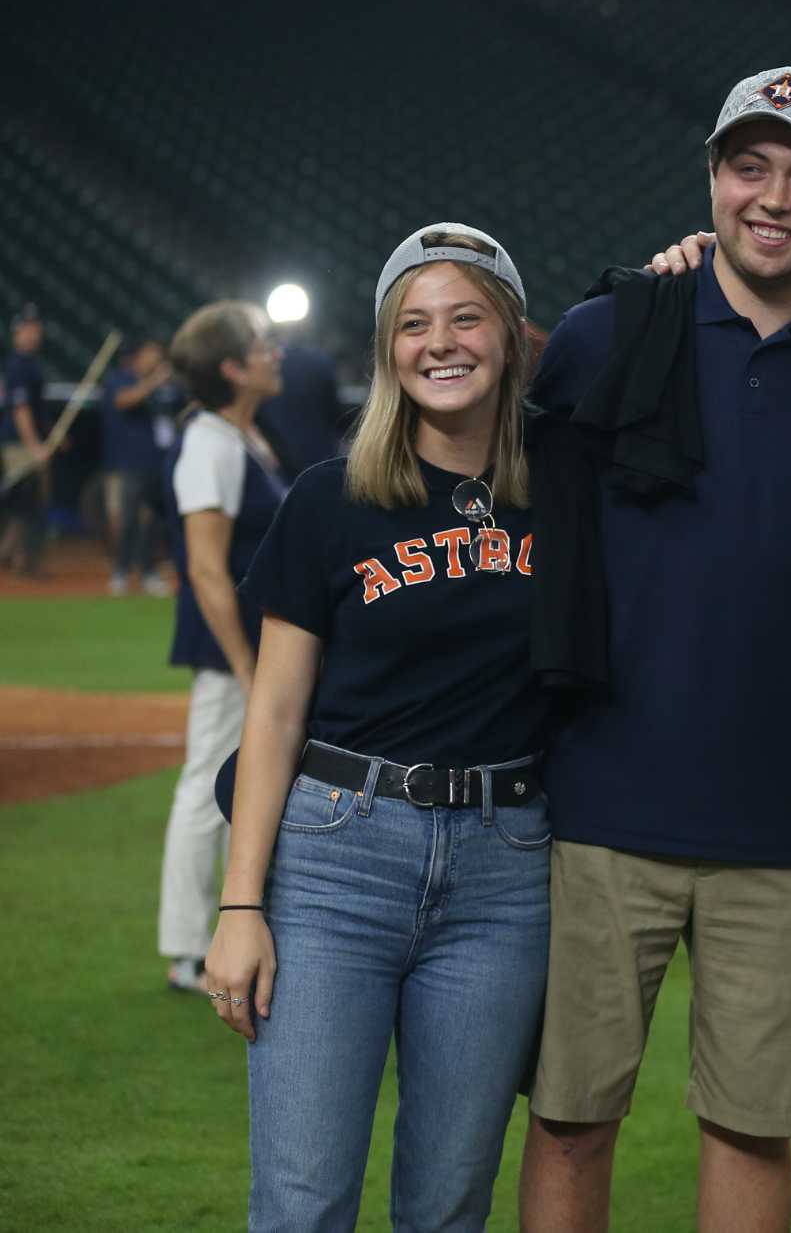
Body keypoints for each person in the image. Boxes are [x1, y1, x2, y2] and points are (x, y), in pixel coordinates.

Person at [518, 67, 791, 1233]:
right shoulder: (606, 335)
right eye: (748, 167)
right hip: (600, 808)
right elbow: (498, 531)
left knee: (754, 1129)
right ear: (712, 178)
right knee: (566, 1119)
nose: (772, 198)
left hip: (784, 829)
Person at [202, 225, 551, 1232]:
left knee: (448, 1206)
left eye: (465, 317)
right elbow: (271, 714)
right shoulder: (330, 498)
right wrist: (237, 906)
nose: (439, 343)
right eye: (412, 325)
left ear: (512, 337)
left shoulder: (566, 495)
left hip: (503, 871)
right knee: (304, 1202)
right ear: (388, 352)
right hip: (334, 860)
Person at [158, 301, 287, 995]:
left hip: (255, 648)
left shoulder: (242, 436)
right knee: (208, 788)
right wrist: (244, 662)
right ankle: (184, 948)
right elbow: (206, 567)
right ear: (234, 368)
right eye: (265, 344)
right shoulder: (209, 442)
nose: (277, 352)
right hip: (230, 651)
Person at [101, 336, 179, 594]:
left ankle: (148, 571)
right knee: (128, 519)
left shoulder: (167, 385)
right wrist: (153, 382)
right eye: (151, 354)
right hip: (130, 462)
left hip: (159, 462)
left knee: (154, 521)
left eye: (158, 355)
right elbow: (123, 400)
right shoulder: (121, 378)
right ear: (138, 356)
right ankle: (121, 571)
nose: (156, 360)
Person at [2, 303, 53, 576]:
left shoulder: (32, 363)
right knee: (26, 504)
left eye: (36, 327)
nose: (35, 333)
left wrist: (52, 434)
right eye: (28, 328)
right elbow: (21, 410)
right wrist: (34, 445)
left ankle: (16, 557)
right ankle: (22, 560)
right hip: (21, 445)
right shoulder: (18, 364)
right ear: (17, 332)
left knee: (26, 504)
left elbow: (35, 409)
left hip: (30, 441)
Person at [258, 332, 345, 478]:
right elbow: (335, 413)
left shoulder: (319, 362)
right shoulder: (320, 361)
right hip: (315, 461)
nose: (277, 356)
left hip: (311, 462)